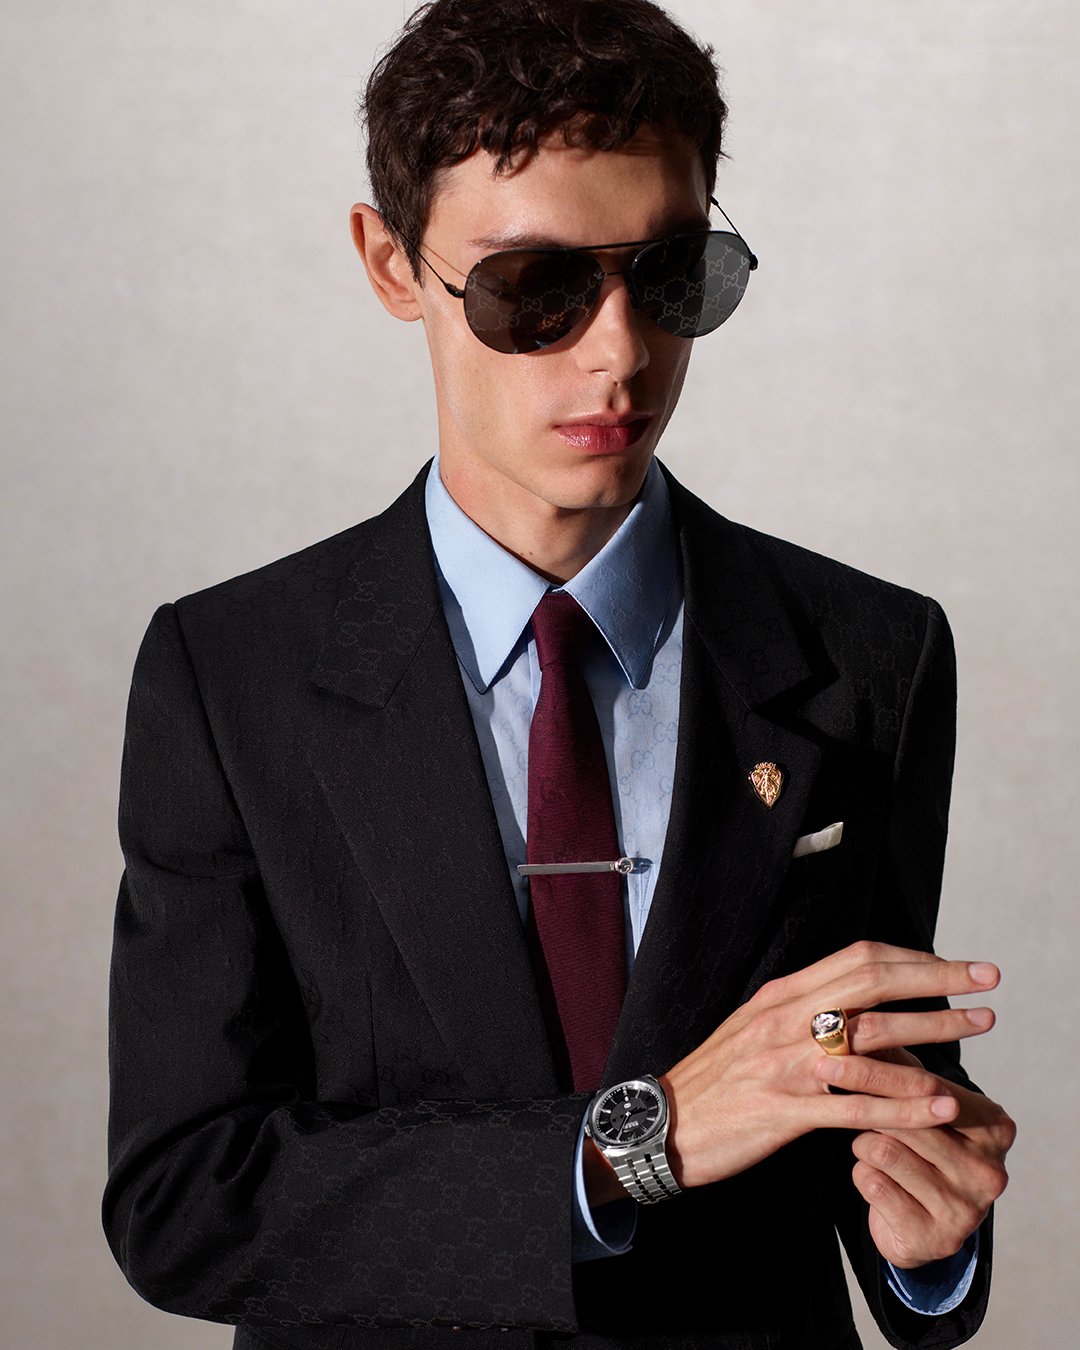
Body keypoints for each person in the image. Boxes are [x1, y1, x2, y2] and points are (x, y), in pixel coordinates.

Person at [102, 2, 1016, 1347]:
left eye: (672, 277)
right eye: (535, 287)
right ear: (392, 262)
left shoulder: (872, 654)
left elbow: (865, 1107)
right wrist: (627, 1146)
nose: (618, 354)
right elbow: (187, 1201)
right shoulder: (231, 676)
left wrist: (927, 1243)